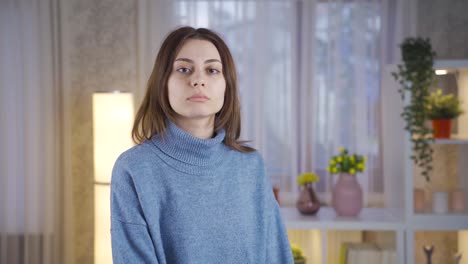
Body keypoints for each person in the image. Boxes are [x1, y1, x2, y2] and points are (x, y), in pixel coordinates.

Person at [110, 26, 294, 264]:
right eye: (184, 69)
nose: (198, 80)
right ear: (162, 82)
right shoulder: (133, 168)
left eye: (212, 70)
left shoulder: (251, 166)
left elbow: (277, 256)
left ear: (226, 86)